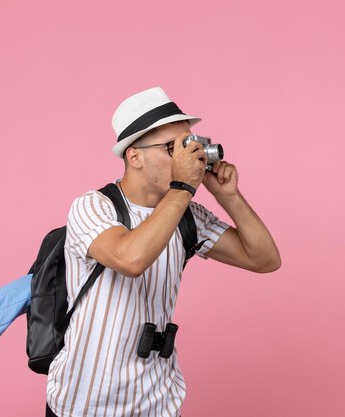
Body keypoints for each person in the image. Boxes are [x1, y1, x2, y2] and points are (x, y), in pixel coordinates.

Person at [45, 86, 281, 417]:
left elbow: (264, 259)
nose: (189, 157)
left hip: (157, 403)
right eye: (173, 148)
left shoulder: (188, 215)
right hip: (84, 405)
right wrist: (183, 186)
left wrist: (229, 196)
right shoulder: (93, 207)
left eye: (190, 145)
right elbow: (130, 259)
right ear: (134, 155)